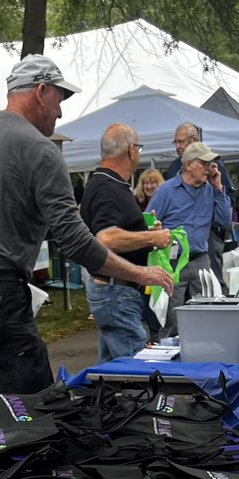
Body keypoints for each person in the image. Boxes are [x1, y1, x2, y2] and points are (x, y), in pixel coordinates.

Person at [0, 54, 172, 407]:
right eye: (59, 100)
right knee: (35, 408)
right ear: (40, 91)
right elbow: (75, 240)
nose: (61, 112)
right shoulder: (39, 148)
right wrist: (138, 273)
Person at [80, 124, 173, 360]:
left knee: (111, 371)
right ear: (132, 150)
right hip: (116, 290)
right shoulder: (107, 186)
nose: (139, 154)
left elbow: (112, 230)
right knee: (135, 370)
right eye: (139, 148)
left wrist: (143, 232)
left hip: (114, 289)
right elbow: (106, 237)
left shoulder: (105, 183)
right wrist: (152, 237)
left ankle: (106, 398)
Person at [146, 140, 232, 330]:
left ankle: (201, 352)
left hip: (201, 260)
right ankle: (168, 353)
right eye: (204, 163)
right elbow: (148, 223)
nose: (209, 168)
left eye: (211, 164)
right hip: (173, 262)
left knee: (206, 315)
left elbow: (224, 221)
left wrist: (218, 187)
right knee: (171, 319)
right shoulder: (166, 191)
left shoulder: (210, 190)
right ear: (188, 165)